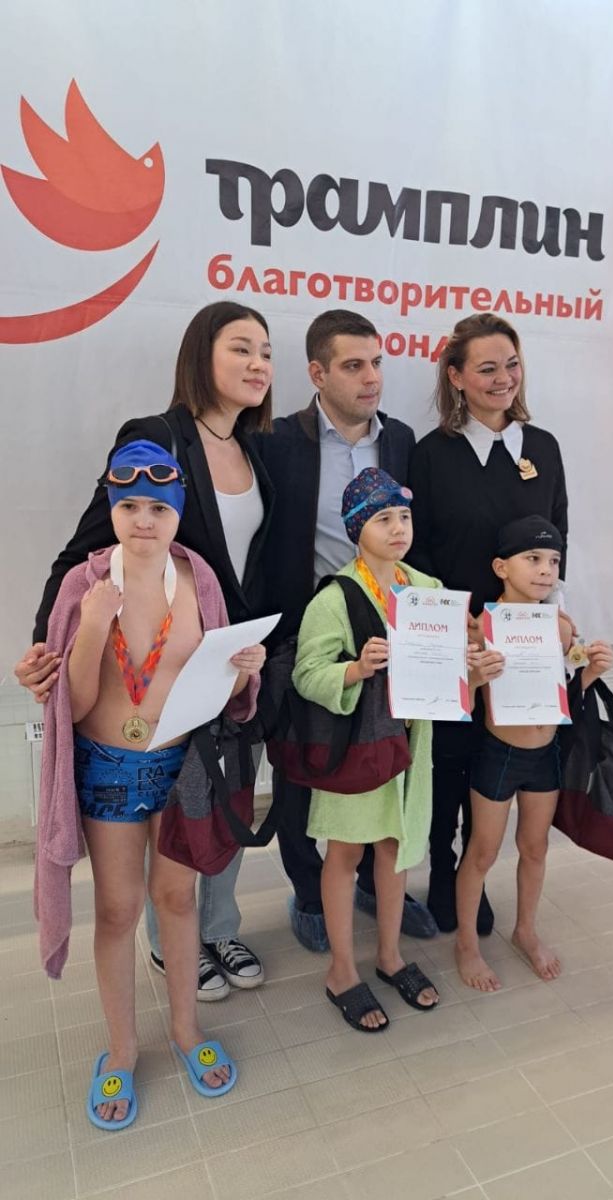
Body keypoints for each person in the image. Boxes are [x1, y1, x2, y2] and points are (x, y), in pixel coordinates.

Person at [16, 301, 275, 999]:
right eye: (241, 348)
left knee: (216, 808)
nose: (258, 364)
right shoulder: (157, 437)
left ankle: (216, 928)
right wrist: (48, 646)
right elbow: (84, 552)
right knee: (151, 872)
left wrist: (256, 653)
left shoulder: (258, 448)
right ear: (200, 355)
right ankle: (171, 946)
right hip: (150, 686)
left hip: (226, 661)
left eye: (265, 352)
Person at [35, 439, 265, 1126]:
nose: (143, 519)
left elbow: (223, 697)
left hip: (180, 766)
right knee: (117, 909)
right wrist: (91, 627)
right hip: (108, 767)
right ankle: (122, 1047)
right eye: (129, 505)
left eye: (158, 507)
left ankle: (186, 1030)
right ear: (110, 508)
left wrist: (244, 670)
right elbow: (73, 705)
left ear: (178, 511)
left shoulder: (199, 579)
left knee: (177, 899)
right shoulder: (84, 585)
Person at [257, 308, 437, 951]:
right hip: (310, 629)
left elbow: (409, 534)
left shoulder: (402, 439)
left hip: (388, 628)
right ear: (317, 373)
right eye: (354, 365)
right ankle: (310, 892)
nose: (372, 378)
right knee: (306, 769)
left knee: (386, 764)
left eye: (377, 363)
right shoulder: (277, 440)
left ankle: (373, 885)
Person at [408, 312, 569, 937]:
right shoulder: (431, 455)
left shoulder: (543, 448)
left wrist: (549, 617)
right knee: (450, 763)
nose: (504, 378)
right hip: (456, 640)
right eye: (487, 368)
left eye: (512, 364)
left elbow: (557, 536)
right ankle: (445, 877)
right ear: (456, 377)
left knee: (501, 763)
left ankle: (475, 872)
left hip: (524, 643)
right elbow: (418, 551)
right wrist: (460, 622)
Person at [292, 469, 441, 1030]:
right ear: (356, 529)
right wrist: (354, 670)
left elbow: (444, 670)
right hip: (356, 748)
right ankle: (341, 970)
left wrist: (473, 669)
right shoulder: (334, 597)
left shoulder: (425, 589)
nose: (398, 528)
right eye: (383, 519)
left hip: (408, 745)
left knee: (394, 848)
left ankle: (390, 956)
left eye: (404, 516)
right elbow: (307, 673)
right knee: (345, 854)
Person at [454, 515, 613, 992]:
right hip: (499, 753)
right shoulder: (480, 626)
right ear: (502, 567)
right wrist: (476, 675)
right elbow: (460, 700)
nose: (546, 570)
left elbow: (567, 694)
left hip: (546, 753)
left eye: (554, 561)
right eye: (533, 558)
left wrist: (590, 673)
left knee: (535, 847)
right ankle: (466, 943)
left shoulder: (560, 628)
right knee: (482, 852)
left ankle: (526, 928)